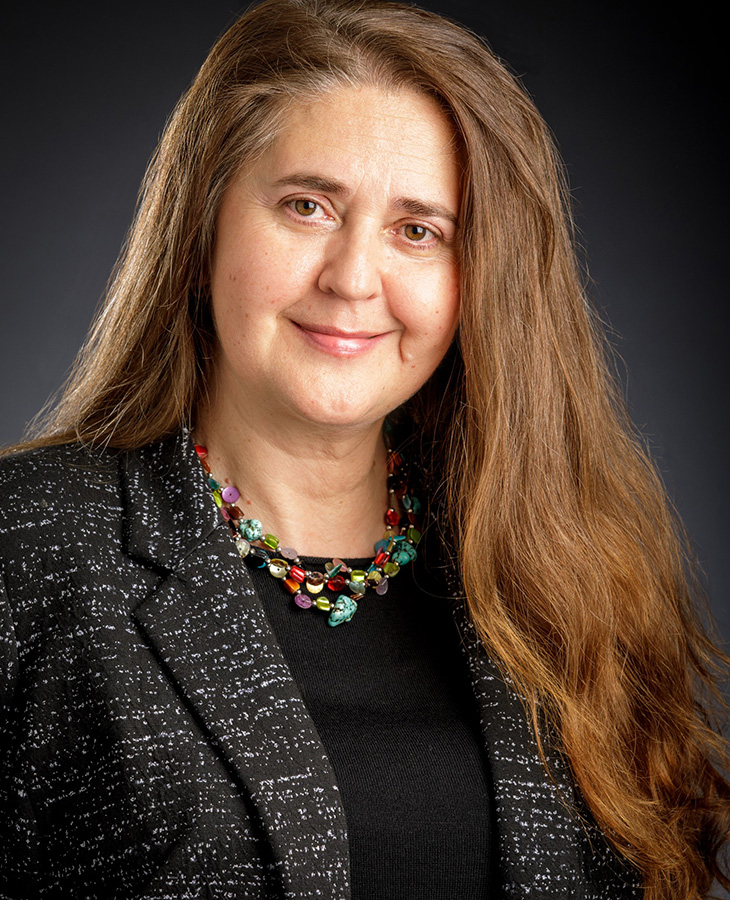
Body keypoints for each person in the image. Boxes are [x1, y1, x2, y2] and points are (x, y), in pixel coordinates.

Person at [1, 0, 728, 896]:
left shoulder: (566, 577)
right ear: (203, 227)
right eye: (307, 207)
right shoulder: (28, 544)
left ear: (479, 284)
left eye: (418, 231)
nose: (352, 278)